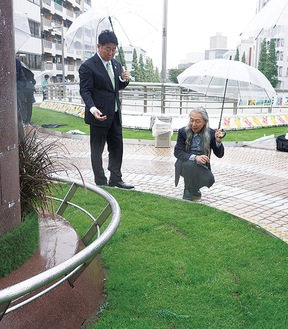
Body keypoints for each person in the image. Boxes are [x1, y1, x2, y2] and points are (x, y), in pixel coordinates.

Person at [79, 29, 134, 189]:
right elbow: (85, 91)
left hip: (115, 114)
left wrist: (125, 80)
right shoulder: (88, 66)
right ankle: (101, 182)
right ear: (99, 46)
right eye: (108, 49)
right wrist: (92, 108)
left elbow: (116, 87)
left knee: (117, 147)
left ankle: (116, 178)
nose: (111, 52)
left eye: (114, 49)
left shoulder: (116, 64)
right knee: (97, 150)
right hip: (99, 115)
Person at [174, 106, 224, 201]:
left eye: (197, 121)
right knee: (190, 165)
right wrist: (195, 157)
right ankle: (187, 192)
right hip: (185, 163)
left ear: (205, 122)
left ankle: (194, 189)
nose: (193, 124)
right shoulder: (182, 132)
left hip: (201, 166)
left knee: (209, 179)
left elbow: (220, 155)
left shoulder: (211, 133)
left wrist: (218, 141)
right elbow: (178, 152)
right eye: (191, 120)